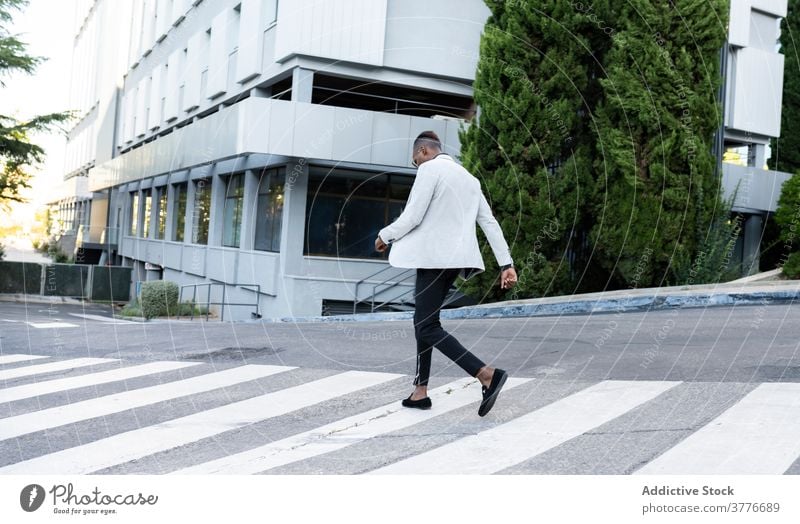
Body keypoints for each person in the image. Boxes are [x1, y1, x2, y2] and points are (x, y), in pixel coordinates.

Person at [375, 131, 518, 417]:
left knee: (426, 326)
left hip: (434, 259)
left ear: (425, 151)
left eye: (416, 160)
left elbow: (413, 216)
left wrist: (384, 236)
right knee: (425, 322)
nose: (417, 165)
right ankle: (420, 390)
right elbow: (489, 222)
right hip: (454, 260)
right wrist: (507, 264)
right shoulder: (470, 179)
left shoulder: (430, 169)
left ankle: (486, 375)